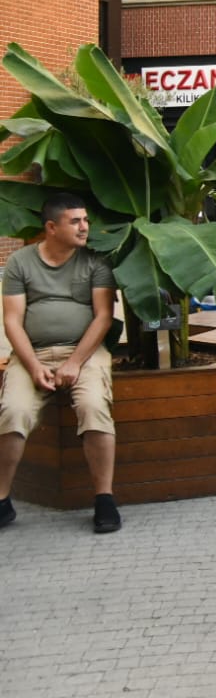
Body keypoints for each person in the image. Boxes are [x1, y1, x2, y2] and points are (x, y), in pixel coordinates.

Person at [0, 194, 120, 533]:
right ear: (51, 227)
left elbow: (103, 317)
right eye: (75, 221)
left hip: (85, 354)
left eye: (85, 220)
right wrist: (33, 366)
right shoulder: (21, 262)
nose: (84, 227)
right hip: (32, 354)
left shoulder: (95, 260)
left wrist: (74, 363)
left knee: (94, 407)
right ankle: (2, 500)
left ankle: (105, 499)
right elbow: (12, 321)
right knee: (13, 411)